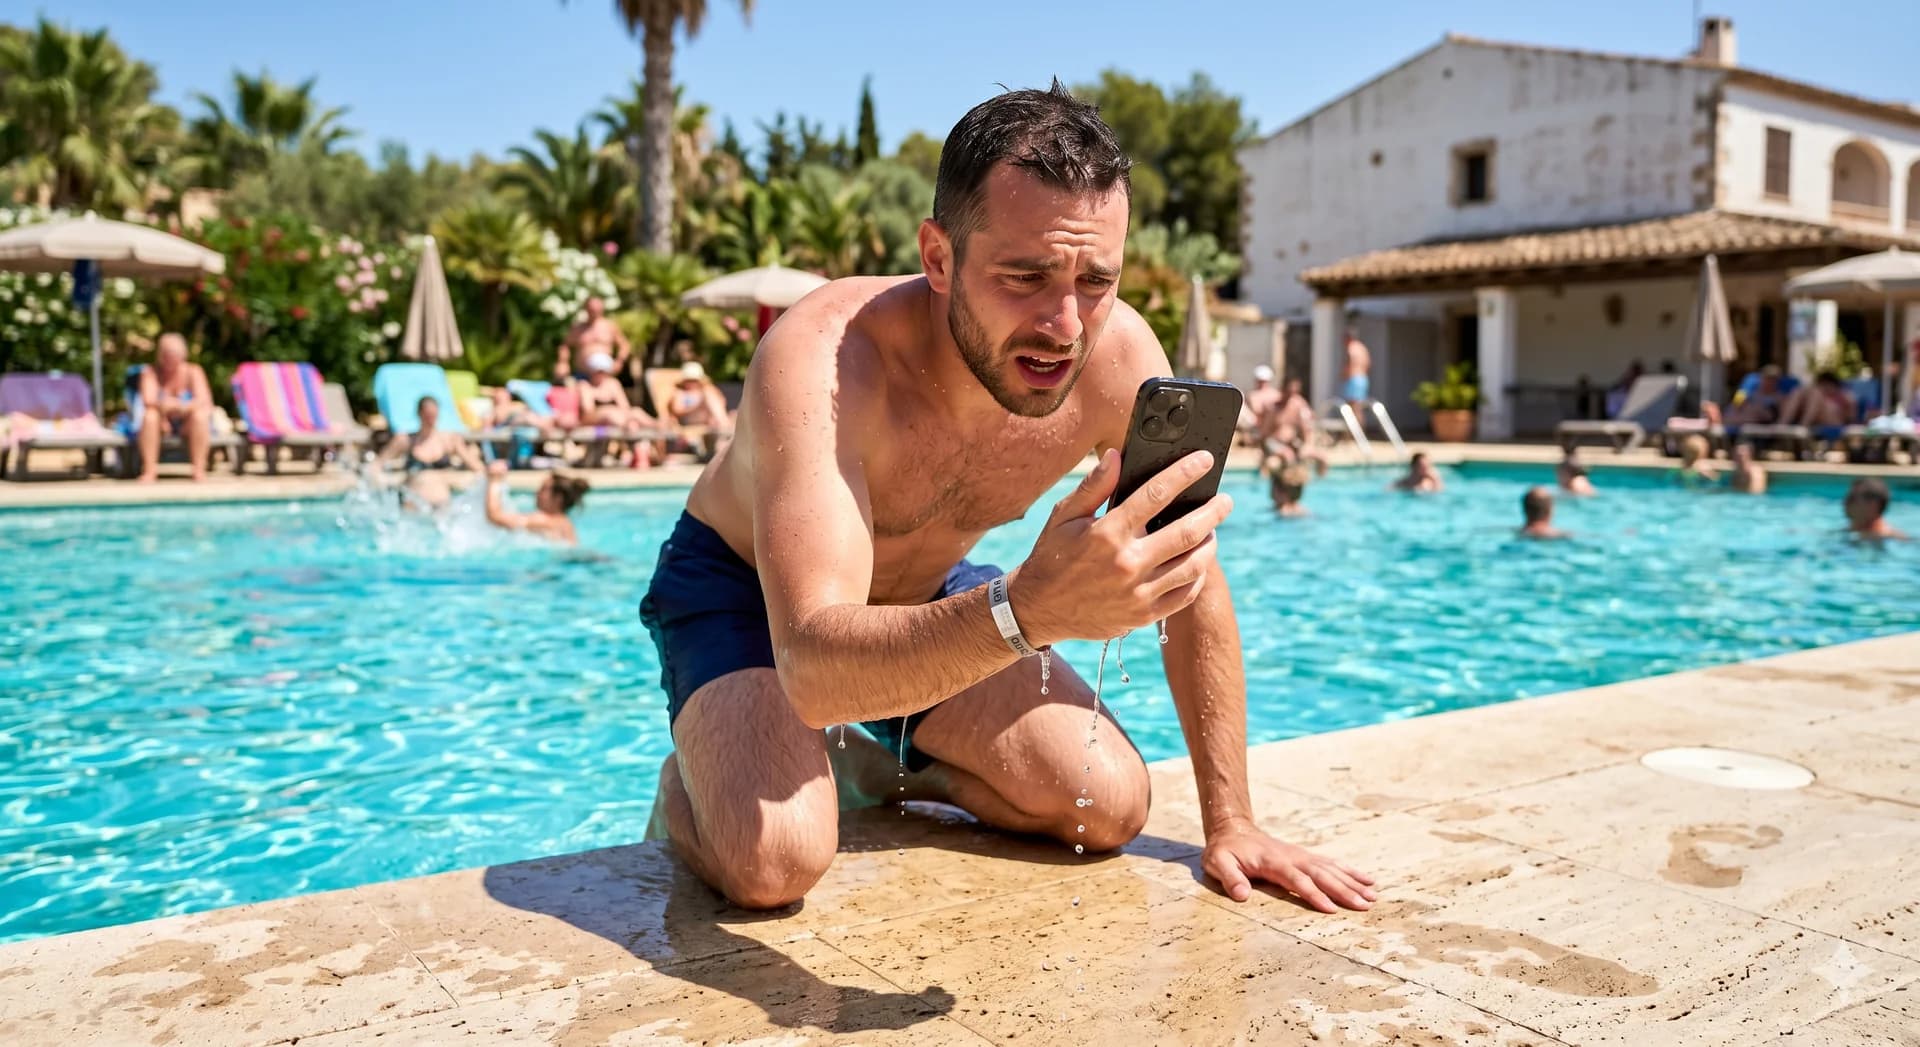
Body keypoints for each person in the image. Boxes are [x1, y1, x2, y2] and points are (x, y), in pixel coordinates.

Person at [638, 82, 1373, 914]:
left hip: (929, 598)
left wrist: (1232, 821)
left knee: (1107, 806)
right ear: (939, 257)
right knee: (774, 861)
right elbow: (810, 663)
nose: (1064, 324)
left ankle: (890, 753)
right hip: (754, 598)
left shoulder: (1120, 361)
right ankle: (700, 780)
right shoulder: (823, 359)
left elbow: (1190, 570)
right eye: (1025, 275)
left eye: (1096, 278)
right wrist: (1025, 611)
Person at [374, 395, 480, 509]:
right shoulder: (406, 440)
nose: (431, 419)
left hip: (441, 499)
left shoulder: (450, 440)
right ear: (420, 414)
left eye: (433, 415)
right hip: (415, 499)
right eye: (427, 415)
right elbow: (376, 465)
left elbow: (477, 467)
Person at [136, 333, 212, 483]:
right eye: (166, 355)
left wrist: (180, 407)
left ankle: (199, 470)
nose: (169, 359)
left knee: (199, 416)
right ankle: (150, 470)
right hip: (161, 423)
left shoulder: (193, 371)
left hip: (187, 423)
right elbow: (148, 400)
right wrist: (164, 409)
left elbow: (203, 400)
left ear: (183, 354)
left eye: (173, 355)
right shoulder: (150, 372)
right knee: (150, 416)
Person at [481, 459, 587, 544]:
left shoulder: (544, 521)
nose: (537, 493)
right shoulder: (565, 523)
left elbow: (495, 517)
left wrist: (494, 481)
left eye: (543, 489)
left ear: (558, 499)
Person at [555, 296, 631, 383]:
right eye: (592, 309)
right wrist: (563, 362)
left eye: (597, 308)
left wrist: (619, 361)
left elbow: (624, 345)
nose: (594, 311)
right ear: (586, 308)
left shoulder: (609, 326)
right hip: (582, 374)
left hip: (604, 374)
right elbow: (565, 346)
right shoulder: (577, 328)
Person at [665, 361, 732, 459]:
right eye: (690, 380)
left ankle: (723, 427)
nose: (692, 383)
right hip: (689, 419)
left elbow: (722, 402)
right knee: (708, 395)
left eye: (695, 380)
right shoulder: (680, 393)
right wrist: (697, 405)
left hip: (710, 419)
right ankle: (726, 427)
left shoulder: (707, 389)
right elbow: (677, 410)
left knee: (709, 395)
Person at [1778, 372, 1855, 428]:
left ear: (1834, 385)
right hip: (1814, 417)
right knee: (1798, 391)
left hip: (1834, 420)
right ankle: (1782, 424)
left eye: (1828, 384)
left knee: (1816, 395)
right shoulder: (1816, 395)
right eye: (1823, 385)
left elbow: (1851, 415)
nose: (1825, 387)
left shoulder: (1843, 395)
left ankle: (1802, 426)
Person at [1843, 478, 1908, 540]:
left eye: (1851, 499)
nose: (1845, 502)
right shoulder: (1850, 532)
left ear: (1873, 506)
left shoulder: (1891, 538)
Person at [1240, 365, 1280, 445]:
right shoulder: (1252, 395)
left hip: (1271, 423)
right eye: (1260, 381)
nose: (1262, 384)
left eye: (1264, 381)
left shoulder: (1275, 394)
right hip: (1254, 424)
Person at [1341, 328, 1371, 409]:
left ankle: (1356, 422)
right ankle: (1361, 422)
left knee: (1352, 407)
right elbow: (1368, 363)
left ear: (1348, 338)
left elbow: (1350, 364)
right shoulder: (1362, 348)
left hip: (1353, 379)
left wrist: (1344, 375)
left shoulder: (1351, 348)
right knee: (1358, 406)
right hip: (1363, 378)